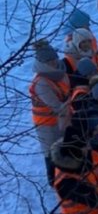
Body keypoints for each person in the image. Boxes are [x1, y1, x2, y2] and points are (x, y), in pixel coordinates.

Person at [29, 40, 70, 185]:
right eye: (49, 61)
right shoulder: (41, 82)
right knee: (50, 151)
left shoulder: (60, 73)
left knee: (62, 146)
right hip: (46, 123)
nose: (53, 63)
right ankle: (53, 179)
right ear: (42, 62)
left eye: (54, 59)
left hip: (61, 118)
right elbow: (57, 105)